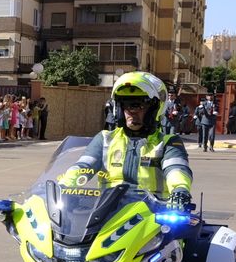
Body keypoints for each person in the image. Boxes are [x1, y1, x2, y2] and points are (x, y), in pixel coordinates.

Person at [71, 71, 193, 205]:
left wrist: (180, 190)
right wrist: (63, 185)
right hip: (106, 212)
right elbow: (83, 166)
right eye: (126, 104)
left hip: (153, 213)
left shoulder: (167, 143)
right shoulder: (105, 139)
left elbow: (176, 169)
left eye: (138, 105)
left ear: (154, 109)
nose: (131, 111)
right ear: (118, 109)